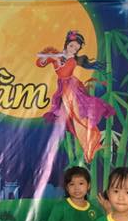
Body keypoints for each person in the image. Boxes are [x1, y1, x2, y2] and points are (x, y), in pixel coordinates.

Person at [36, 30, 115, 162]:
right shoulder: (57, 55)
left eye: (76, 48)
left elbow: (66, 69)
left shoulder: (73, 60)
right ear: (66, 44)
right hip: (63, 88)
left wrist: (56, 58)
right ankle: (90, 145)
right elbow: (39, 62)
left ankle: (92, 142)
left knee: (80, 116)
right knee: (74, 118)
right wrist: (47, 57)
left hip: (72, 87)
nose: (73, 49)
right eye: (72, 46)